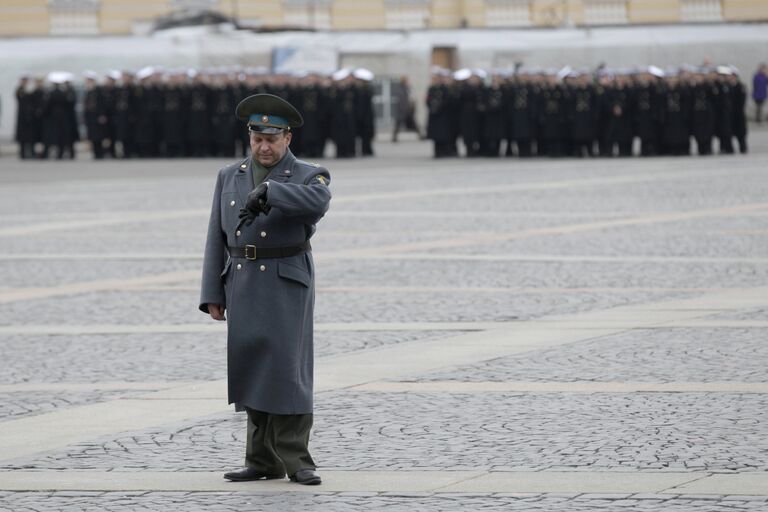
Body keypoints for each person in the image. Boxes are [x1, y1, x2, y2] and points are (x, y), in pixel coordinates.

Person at [199, 93, 331, 486]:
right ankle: (260, 459)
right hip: (241, 276)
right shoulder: (230, 174)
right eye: (258, 139)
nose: (264, 147)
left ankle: (296, 459)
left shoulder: (309, 173)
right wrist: (212, 293)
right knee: (252, 364)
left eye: (272, 139)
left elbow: (319, 201)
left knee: (287, 368)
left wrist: (273, 192)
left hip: (285, 276)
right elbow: (214, 235)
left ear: (287, 139)